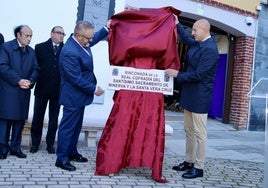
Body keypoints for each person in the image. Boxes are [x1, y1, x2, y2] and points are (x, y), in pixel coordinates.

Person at [95, 7, 180, 183]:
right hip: (149, 82)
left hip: (136, 82)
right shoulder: (161, 37)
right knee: (147, 124)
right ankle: (124, 163)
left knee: (122, 122)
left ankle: (111, 164)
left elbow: (117, 55)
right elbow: (169, 57)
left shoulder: (130, 39)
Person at [165, 18, 219, 179]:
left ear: (204, 30)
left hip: (200, 96)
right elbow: (187, 39)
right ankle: (189, 161)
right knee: (189, 130)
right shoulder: (198, 42)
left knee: (200, 134)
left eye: (195, 30)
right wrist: (177, 24)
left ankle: (199, 167)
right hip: (190, 93)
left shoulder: (210, 49)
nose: (193, 33)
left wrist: (177, 75)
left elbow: (199, 75)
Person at [55, 20, 110, 171]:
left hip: (80, 96)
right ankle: (61, 158)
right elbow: (75, 78)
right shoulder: (69, 52)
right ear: (78, 35)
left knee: (76, 126)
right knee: (68, 127)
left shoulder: (81, 43)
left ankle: (72, 152)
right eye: (88, 38)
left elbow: (93, 40)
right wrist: (94, 88)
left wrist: (106, 28)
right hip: (72, 96)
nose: (90, 40)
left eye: (91, 37)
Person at [0, 25, 39, 159]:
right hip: (8, 91)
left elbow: (36, 68)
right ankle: (2, 148)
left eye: (31, 36)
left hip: (23, 92)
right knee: (5, 121)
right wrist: (18, 80)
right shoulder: (6, 47)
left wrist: (30, 81)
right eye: (27, 36)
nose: (29, 39)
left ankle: (15, 148)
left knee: (19, 121)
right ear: (18, 35)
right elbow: (2, 66)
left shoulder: (31, 51)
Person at [30, 26, 65, 154]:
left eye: (63, 33)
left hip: (57, 90)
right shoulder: (40, 48)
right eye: (58, 33)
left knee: (53, 119)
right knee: (37, 118)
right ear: (51, 34)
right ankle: (35, 143)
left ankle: (50, 144)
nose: (61, 35)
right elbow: (35, 67)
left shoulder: (65, 49)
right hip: (42, 88)